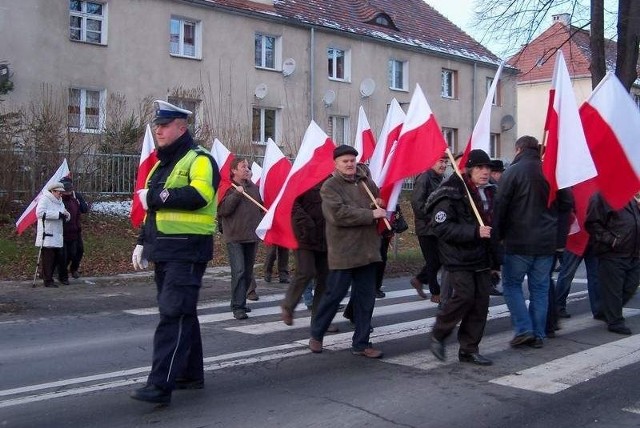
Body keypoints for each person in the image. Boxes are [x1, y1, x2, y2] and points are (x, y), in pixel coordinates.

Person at [130, 100, 219, 405]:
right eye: (157, 125)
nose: (158, 130)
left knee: (173, 314)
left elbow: (198, 195)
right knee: (183, 312)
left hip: (188, 249)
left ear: (182, 127)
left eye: (164, 125)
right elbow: (151, 211)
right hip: (165, 248)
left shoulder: (200, 159)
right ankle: (189, 374)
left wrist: (154, 196)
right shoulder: (161, 163)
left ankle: (160, 384)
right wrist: (144, 241)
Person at [493, 136, 572, 349]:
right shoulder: (552, 172)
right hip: (546, 243)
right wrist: (559, 239)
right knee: (540, 289)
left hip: (518, 241)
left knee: (511, 286)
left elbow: (500, 207)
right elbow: (567, 205)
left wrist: (496, 237)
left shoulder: (512, 172)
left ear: (518, 149)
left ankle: (524, 330)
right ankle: (538, 334)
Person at [308, 145, 387, 358]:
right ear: (336, 164)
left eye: (352, 160)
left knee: (366, 299)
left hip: (368, 250)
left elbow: (375, 204)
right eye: (345, 161)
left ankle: (361, 343)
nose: (350, 164)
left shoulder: (367, 183)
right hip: (344, 251)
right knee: (334, 295)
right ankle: (317, 332)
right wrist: (370, 215)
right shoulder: (330, 186)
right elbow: (338, 214)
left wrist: (378, 203)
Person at [428, 149, 498, 366]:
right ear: (469, 169)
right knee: (464, 297)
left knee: (480, 303)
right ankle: (438, 334)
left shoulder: (490, 192)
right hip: (458, 256)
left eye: (487, 168)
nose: (485, 172)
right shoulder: (451, 191)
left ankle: (469, 349)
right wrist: (474, 232)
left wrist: (496, 260)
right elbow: (441, 227)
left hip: (482, 256)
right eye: (479, 167)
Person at [585, 192, 640, 335]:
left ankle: (606, 311)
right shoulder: (601, 196)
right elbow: (592, 223)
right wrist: (611, 240)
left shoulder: (628, 196)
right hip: (612, 253)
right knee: (614, 290)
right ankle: (615, 321)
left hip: (633, 251)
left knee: (630, 285)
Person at [218, 157, 264, 319]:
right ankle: (237, 306)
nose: (246, 168)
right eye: (242, 166)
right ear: (234, 171)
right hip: (235, 237)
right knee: (239, 271)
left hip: (251, 236)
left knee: (247, 272)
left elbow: (260, 207)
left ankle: (241, 302)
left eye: (247, 166)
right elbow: (223, 210)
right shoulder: (228, 188)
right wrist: (237, 194)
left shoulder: (254, 188)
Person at [281, 181, 328, 325]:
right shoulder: (303, 177)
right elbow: (292, 203)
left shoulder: (332, 181)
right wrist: (305, 222)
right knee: (306, 271)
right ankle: (288, 306)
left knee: (325, 278)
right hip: (304, 235)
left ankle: (319, 321)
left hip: (326, 236)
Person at [410, 153, 447, 302]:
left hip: (439, 226)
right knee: (433, 260)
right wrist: (431, 219)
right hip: (426, 227)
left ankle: (419, 280)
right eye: (440, 161)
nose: (443, 165)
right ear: (431, 162)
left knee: (439, 259)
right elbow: (417, 203)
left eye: (445, 162)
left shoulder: (442, 179)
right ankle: (435, 292)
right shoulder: (424, 178)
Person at [35, 182, 70, 288]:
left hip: (58, 234)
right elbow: (39, 213)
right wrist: (57, 215)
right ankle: (48, 280)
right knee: (48, 259)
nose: (61, 194)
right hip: (48, 234)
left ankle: (49, 276)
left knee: (57, 258)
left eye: (61, 192)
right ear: (53, 191)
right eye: (59, 192)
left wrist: (67, 216)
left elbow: (64, 213)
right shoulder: (44, 199)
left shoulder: (60, 201)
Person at [554, 245, 601, 320]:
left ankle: (558, 306)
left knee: (567, 274)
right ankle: (598, 309)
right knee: (593, 276)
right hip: (582, 239)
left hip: (582, 239)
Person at [59, 177, 89, 280]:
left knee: (79, 250)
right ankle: (62, 271)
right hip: (63, 229)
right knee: (66, 253)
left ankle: (74, 268)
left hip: (76, 229)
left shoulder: (76, 196)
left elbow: (84, 209)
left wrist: (79, 203)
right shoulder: (59, 197)